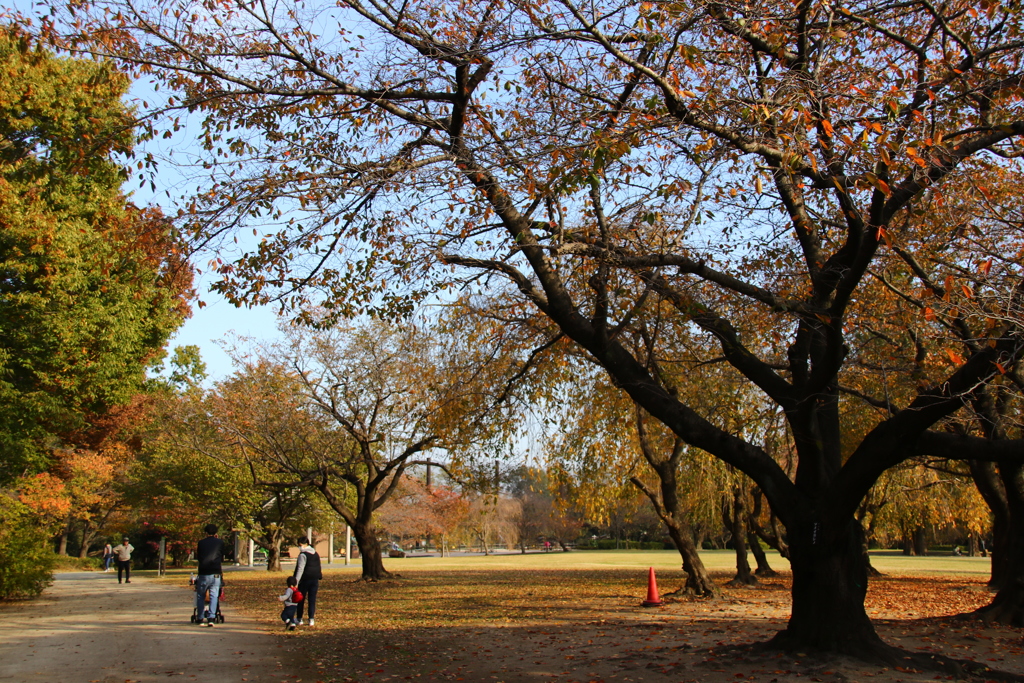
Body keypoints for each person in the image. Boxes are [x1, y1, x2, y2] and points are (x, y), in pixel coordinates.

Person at [195, 524, 225, 627]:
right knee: (214, 595)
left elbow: (199, 556)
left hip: (203, 572)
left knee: (200, 596)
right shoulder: (220, 543)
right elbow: (222, 556)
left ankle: (200, 617)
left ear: (205, 533)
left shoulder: (201, 543)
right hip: (216, 572)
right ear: (216, 533)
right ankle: (211, 617)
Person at [293, 535, 322, 626]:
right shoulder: (315, 553)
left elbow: (300, 569)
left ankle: (299, 618)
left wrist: (296, 582)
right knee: (312, 599)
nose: (299, 547)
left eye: (300, 545)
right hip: (314, 579)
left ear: (302, 544)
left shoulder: (303, 555)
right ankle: (311, 619)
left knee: (300, 599)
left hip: (305, 580)